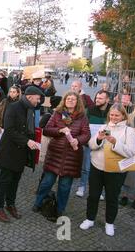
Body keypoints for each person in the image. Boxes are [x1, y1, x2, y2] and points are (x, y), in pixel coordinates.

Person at [80, 104, 135, 236]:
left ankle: (109, 223)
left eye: (117, 115)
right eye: (111, 115)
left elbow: (131, 152)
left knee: (111, 198)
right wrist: (99, 139)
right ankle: (90, 219)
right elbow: (91, 145)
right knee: (93, 195)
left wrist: (115, 143)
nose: (113, 117)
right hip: (97, 167)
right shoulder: (104, 127)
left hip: (115, 171)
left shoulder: (128, 131)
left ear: (123, 115)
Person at [33, 91, 91, 220]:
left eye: (73, 99)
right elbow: (47, 130)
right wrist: (59, 130)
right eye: (68, 99)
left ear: (78, 102)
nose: (70, 101)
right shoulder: (57, 114)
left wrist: (78, 140)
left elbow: (87, 135)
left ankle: (59, 209)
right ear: (64, 101)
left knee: (64, 187)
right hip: (55, 154)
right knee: (46, 182)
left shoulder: (83, 117)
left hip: (72, 157)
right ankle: (38, 203)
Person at [0, 86, 44, 223]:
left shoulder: (30, 109)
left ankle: (10, 204)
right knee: (4, 181)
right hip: (9, 151)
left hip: (22, 152)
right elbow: (9, 130)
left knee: (15, 180)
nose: (39, 101)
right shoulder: (14, 107)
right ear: (29, 97)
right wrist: (27, 141)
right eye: (37, 98)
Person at [76, 90, 111, 198]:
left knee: (104, 168)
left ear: (107, 100)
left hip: (105, 145)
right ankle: (82, 187)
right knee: (86, 167)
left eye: (100, 98)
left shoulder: (111, 110)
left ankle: (101, 191)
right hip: (90, 143)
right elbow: (84, 126)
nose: (97, 100)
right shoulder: (90, 110)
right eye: (96, 98)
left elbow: (113, 126)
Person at [120, 98, 135, 210]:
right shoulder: (131, 116)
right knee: (128, 172)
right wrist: (133, 131)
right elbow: (124, 131)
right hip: (132, 148)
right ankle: (124, 195)